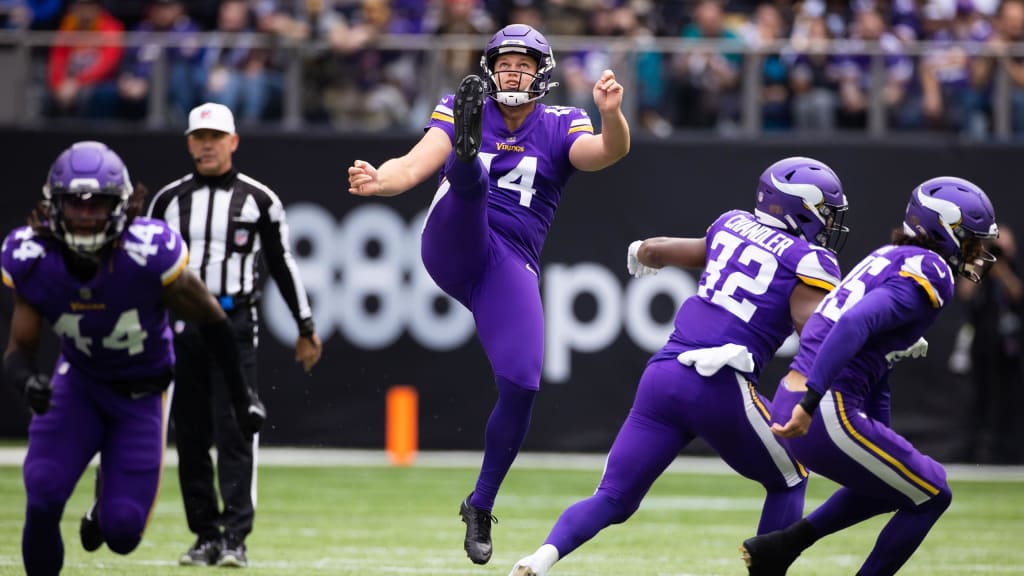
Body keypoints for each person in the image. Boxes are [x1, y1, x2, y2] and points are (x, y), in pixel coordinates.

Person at [347, 23, 630, 565]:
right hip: (454, 237)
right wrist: (381, 181)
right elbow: (411, 165)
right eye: (505, 63)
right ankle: (470, 154)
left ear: (541, 73)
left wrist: (612, 112)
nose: (513, 72)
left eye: (524, 64)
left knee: (523, 382)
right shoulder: (461, 103)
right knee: (469, 169)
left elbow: (605, 153)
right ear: (489, 70)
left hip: (509, 262)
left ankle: (480, 503)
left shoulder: (560, 122)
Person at [508, 156, 850, 576]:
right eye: (826, 213)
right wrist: (866, 330)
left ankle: (541, 558)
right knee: (791, 477)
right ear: (799, 207)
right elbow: (812, 331)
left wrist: (644, 249)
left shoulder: (732, 223)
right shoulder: (810, 259)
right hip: (722, 382)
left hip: (666, 374)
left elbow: (663, 250)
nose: (830, 224)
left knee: (612, 497)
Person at [1, 141, 264, 575]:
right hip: (78, 385)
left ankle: (104, 499)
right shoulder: (33, 256)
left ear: (120, 206)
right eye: (76, 204)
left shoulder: (147, 253)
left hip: (141, 394)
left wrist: (242, 394)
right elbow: (19, 352)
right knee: (43, 490)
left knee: (122, 532)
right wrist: (27, 382)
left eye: (97, 204)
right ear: (55, 205)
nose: (86, 216)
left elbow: (214, 322)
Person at [740, 176, 999, 576]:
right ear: (946, 231)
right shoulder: (932, 269)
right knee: (934, 494)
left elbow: (872, 359)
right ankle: (789, 545)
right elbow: (852, 325)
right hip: (819, 405)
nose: (979, 251)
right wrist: (813, 400)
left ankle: (781, 547)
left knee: (891, 484)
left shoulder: (892, 255)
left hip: (803, 398)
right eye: (972, 240)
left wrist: (879, 429)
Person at [146, 102, 323, 567]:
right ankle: (204, 534)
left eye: (215, 137)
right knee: (190, 433)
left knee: (237, 427)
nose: (206, 145)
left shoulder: (259, 200)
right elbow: (144, 271)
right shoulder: (166, 201)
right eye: (198, 137)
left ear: (233, 141)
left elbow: (283, 265)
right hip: (180, 328)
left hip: (236, 325)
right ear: (188, 142)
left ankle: (235, 537)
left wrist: (305, 326)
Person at [955, 222, 1023, 463]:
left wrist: (1002, 269)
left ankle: (1007, 451)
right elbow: (965, 294)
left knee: (1008, 400)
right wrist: (982, 261)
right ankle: (972, 451)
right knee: (977, 399)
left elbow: (1017, 295)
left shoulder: (1012, 270)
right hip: (981, 346)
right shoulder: (979, 268)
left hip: (1008, 348)